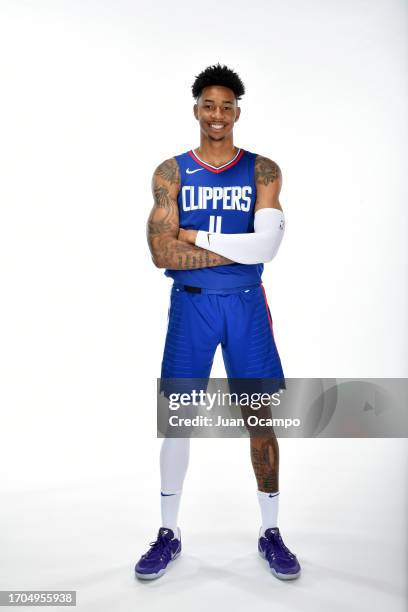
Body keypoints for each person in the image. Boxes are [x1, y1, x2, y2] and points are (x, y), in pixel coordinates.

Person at [135, 63, 301, 581]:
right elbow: (160, 251)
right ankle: (168, 531)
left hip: (246, 305)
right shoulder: (172, 172)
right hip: (192, 306)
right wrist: (234, 249)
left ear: (237, 112)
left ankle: (270, 531)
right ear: (196, 110)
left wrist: (196, 237)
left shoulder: (261, 170)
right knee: (178, 420)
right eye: (209, 105)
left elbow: (267, 249)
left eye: (227, 106)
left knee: (260, 418)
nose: (217, 115)